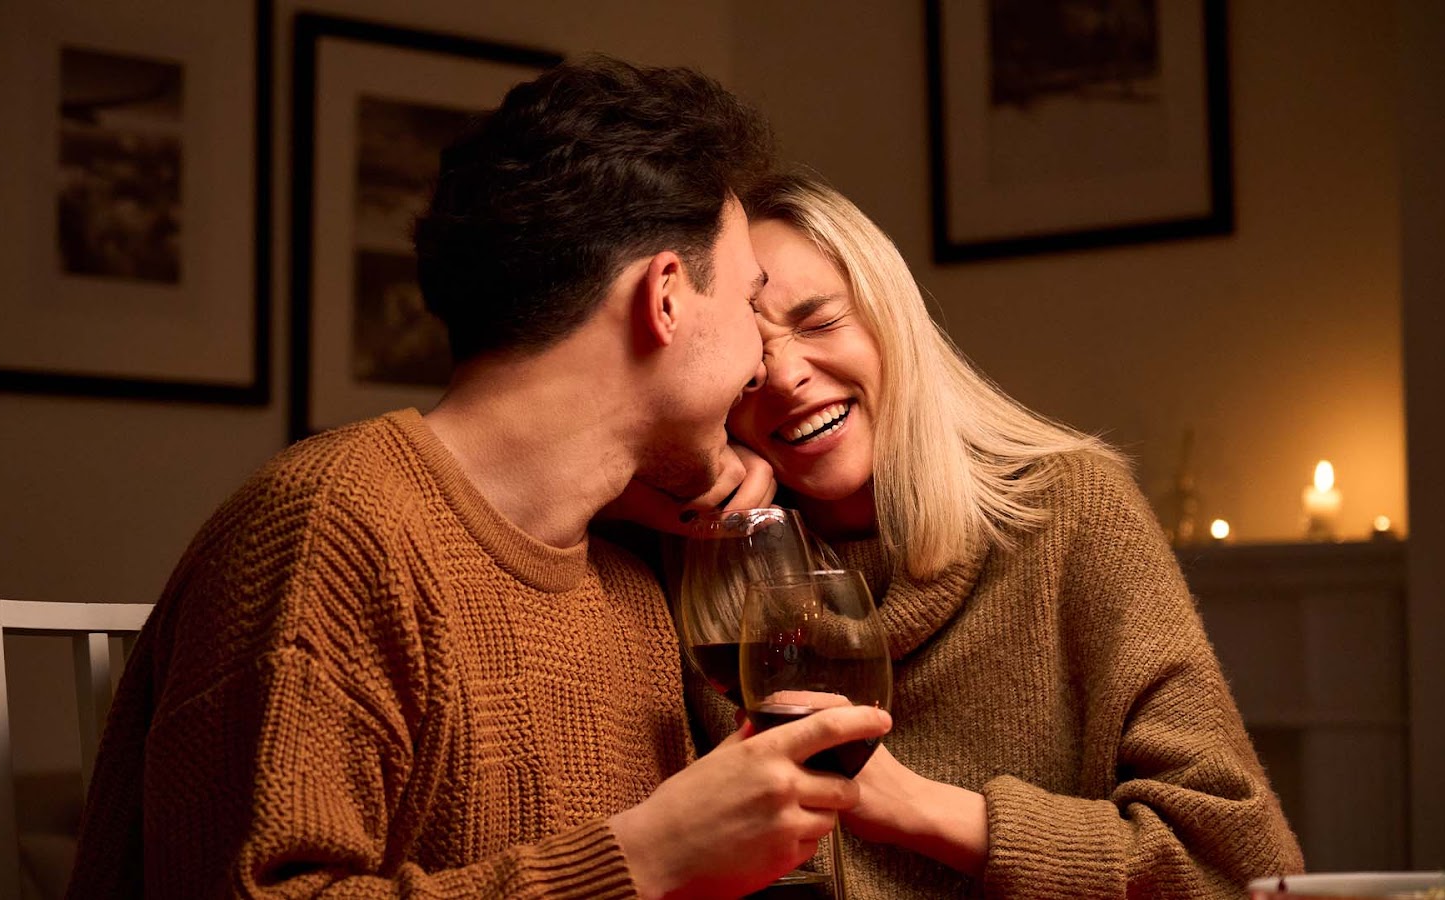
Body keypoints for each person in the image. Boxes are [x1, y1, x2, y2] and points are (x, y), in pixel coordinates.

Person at [65, 60, 891, 899]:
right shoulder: (333, 530)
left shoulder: (627, 585)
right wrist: (643, 858)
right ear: (667, 300)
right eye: (749, 305)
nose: (762, 367)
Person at [675, 170, 1306, 897]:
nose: (785, 375)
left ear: (892, 320)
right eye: (749, 364)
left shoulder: (1070, 512)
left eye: (819, 323)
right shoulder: (702, 563)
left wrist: (911, 808)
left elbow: (1240, 869)